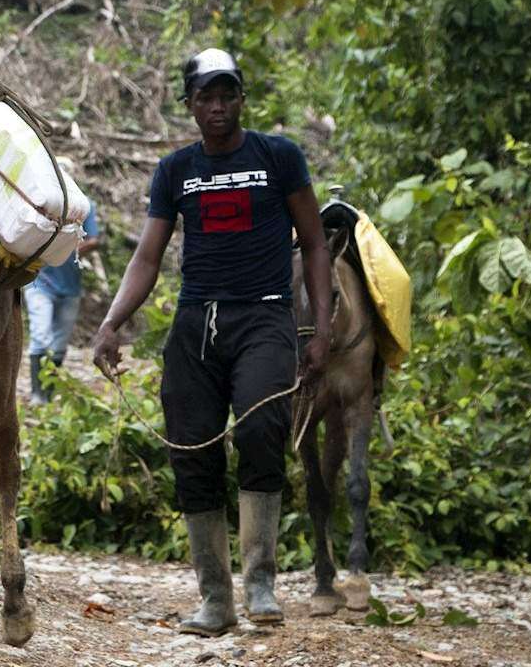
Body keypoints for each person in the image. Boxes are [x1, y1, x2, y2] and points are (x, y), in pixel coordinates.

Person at [91, 48, 332, 635]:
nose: (217, 106)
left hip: (265, 318)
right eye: (206, 96)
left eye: (227, 95)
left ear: (241, 99)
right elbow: (148, 257)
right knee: (191, 449)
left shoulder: (278, 156)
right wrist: (112, 322)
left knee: (259, 430)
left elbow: (315, 243)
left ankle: (260, 582)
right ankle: (215, 598)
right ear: (191, 104)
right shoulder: (175, 170)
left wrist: (321, 328)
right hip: (197, 323)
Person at [24, 203, 100, 405]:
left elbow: (93, 240)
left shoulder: (85, 206)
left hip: (70, 285)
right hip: (39, 283)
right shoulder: (42, 201)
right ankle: (37, 395)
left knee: (59, 344)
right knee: (40, 335)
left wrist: (66, 249)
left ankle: (48, 392)